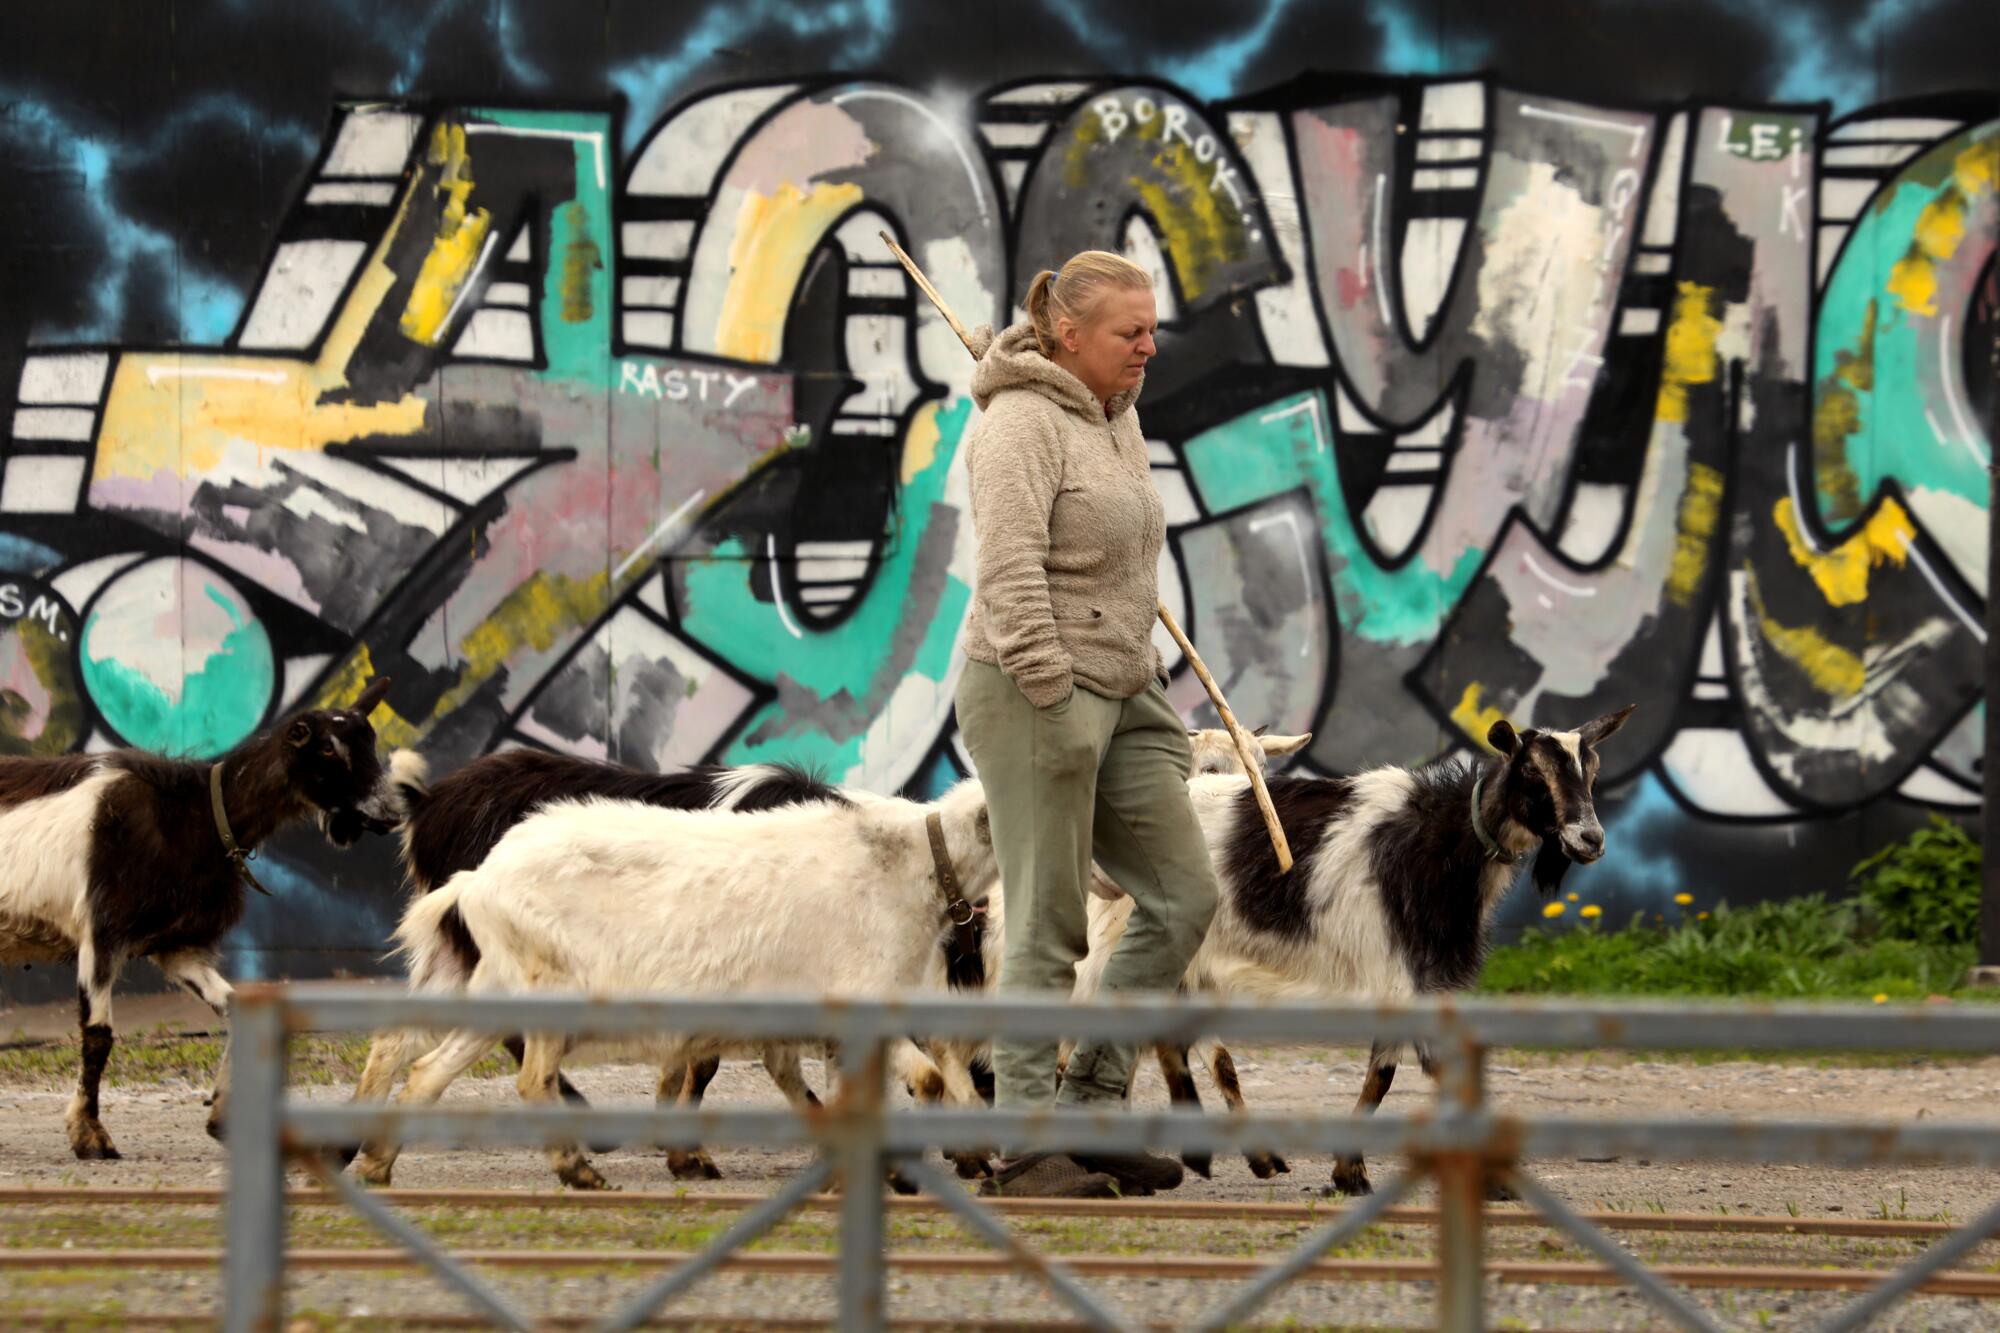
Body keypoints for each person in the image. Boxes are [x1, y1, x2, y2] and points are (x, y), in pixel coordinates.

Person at [955, 251, 1220, 1198]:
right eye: (1130, 332)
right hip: (1033, 691)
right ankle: (1026, 1150)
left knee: (1186, 897)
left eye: (1152, 328)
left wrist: (1134, 682)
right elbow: (1011, 575)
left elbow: (1115, 555)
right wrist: (1055, 697)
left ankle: (1091, 1113)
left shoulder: (1116, 413)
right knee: (1047, 920)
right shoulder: (1019, 424)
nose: (1150, 345)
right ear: (1070, 336)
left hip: (1126, 688)